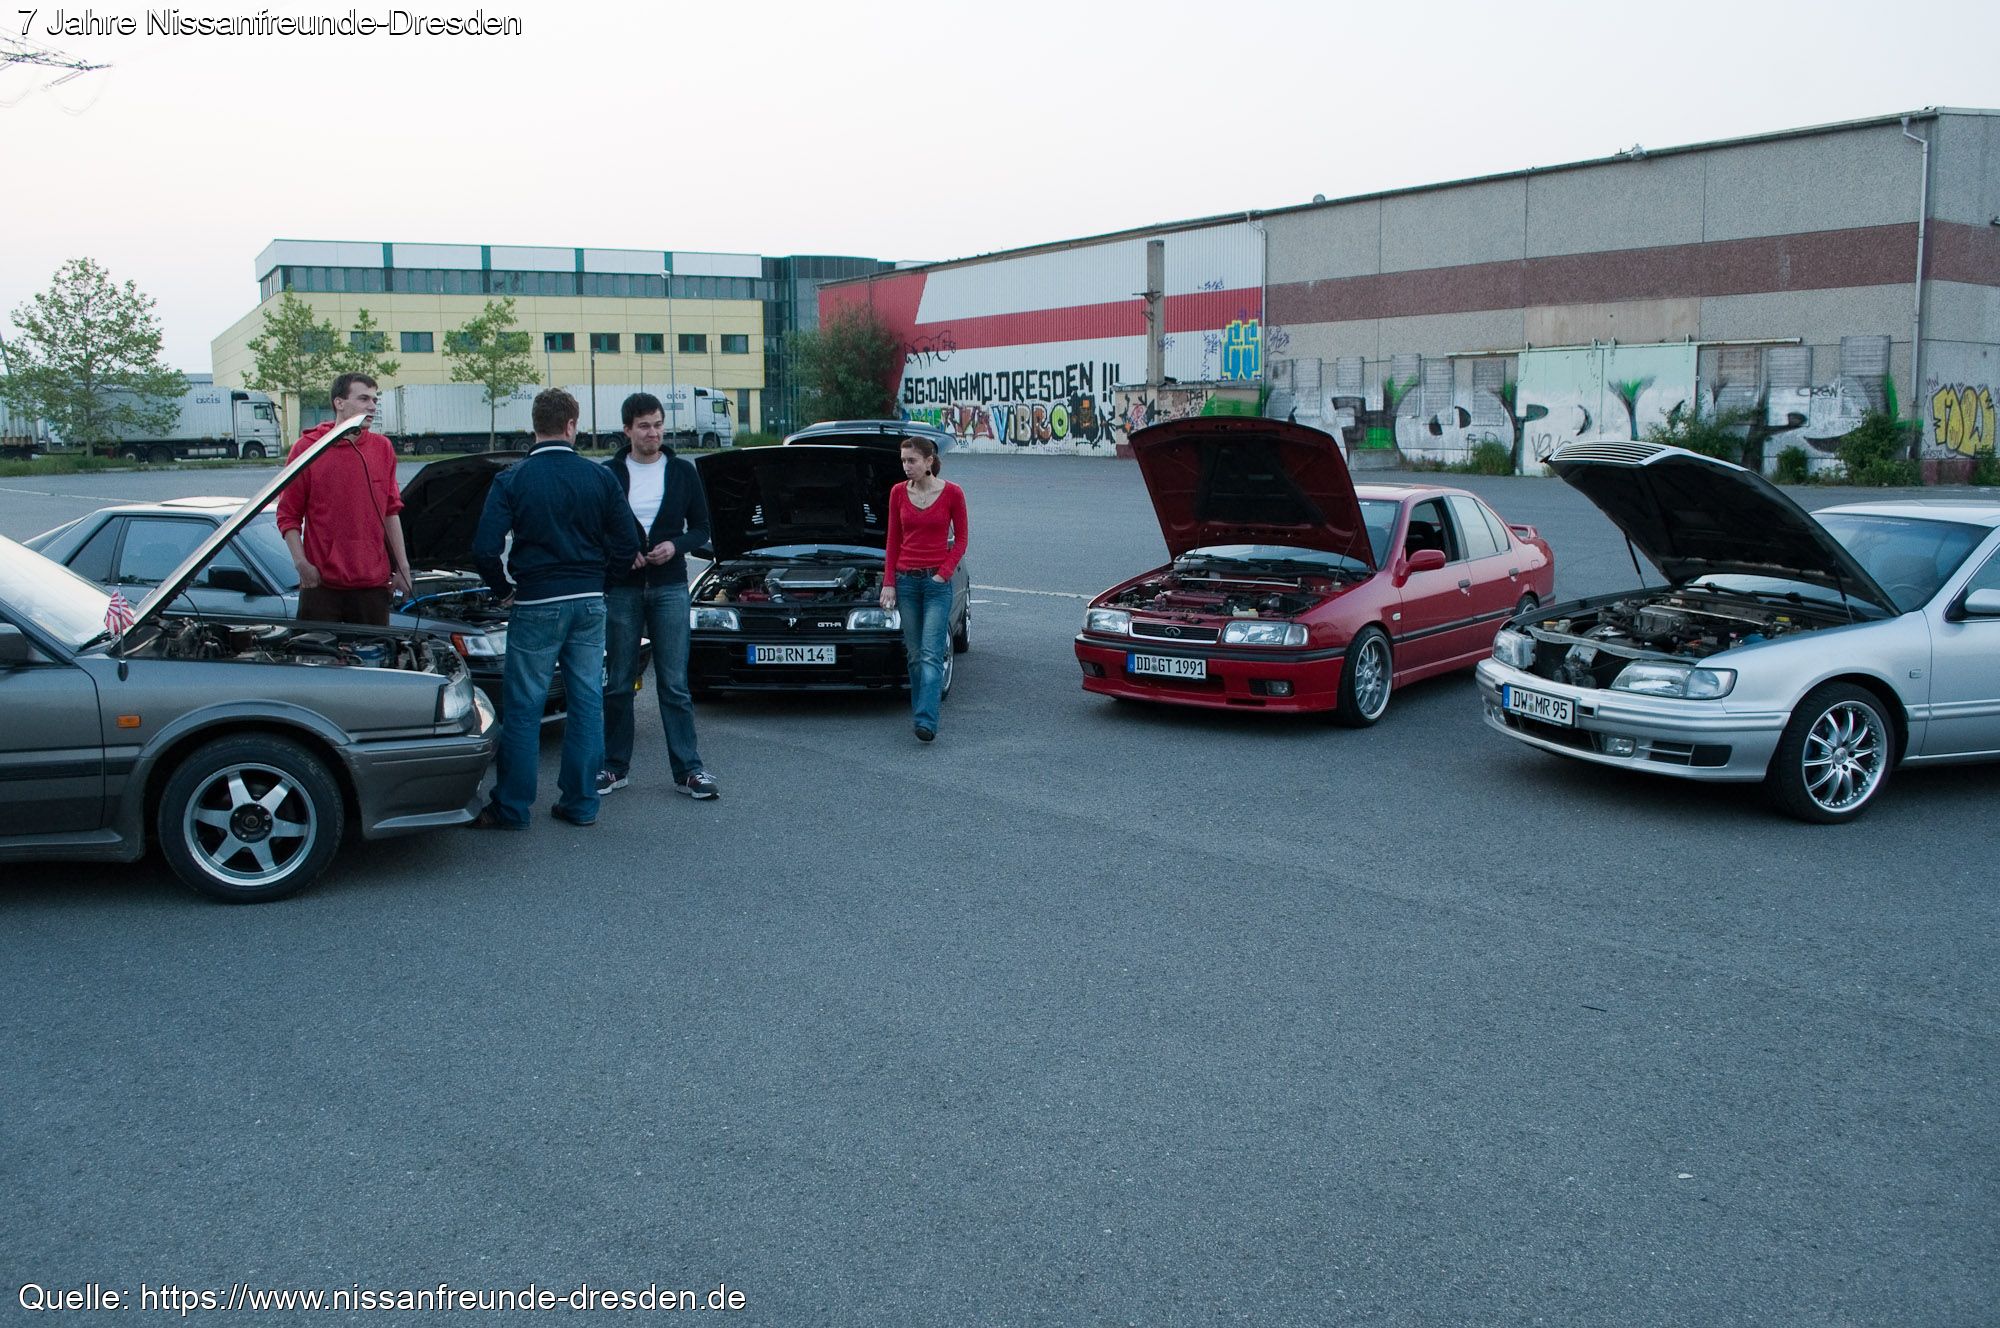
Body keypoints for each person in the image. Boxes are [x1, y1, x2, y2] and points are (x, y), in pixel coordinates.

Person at [467, 388, 639, 830]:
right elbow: (628, 542)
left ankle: (512, 808)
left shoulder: (512, 479)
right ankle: (581, 803)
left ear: (535, 426)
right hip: (588, 601)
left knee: (524, 708)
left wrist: (503, 590)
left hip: (536, 600)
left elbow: (484, 548)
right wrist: (603, 583)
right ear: (571, 425)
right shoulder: (600, 477)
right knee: (587, 703)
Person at [598, 391, 719, 800]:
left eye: (658, 424)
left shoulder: (682, 471)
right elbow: (596, 530)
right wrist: (622, 552)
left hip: (669, 586)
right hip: (623, 588)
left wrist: (675, 546)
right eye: (644, 426)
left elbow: (701, 529)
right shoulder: (609, 474)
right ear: (627, 430)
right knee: (619, 682)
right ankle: (614, 767)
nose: (653, 433)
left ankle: (689, 770)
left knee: (674, 684)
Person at [276, 373, 413, 625]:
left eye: (374, 400)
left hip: (372, 586)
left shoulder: (383, 448)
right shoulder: (307, 449)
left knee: (375, 650)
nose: (372, 406)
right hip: (321, 586)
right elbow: (288, 515)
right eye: (363, 399)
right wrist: (301, 563)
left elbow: (390, 511)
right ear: (339, 403)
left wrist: (403, 566)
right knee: (313, 649)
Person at [879, 433, 968, 742]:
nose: (906, 466)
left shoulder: (953, 493)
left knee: (931, 654)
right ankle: (921, 711)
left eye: (912, 461)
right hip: (906, 583)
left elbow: (961, 540)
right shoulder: (897, 493)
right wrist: (889, 582)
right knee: (915, 655)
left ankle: (925, 721)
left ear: (929, 461)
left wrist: (943, 574)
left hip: (936, 586)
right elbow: (892, 541)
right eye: (903, 461)